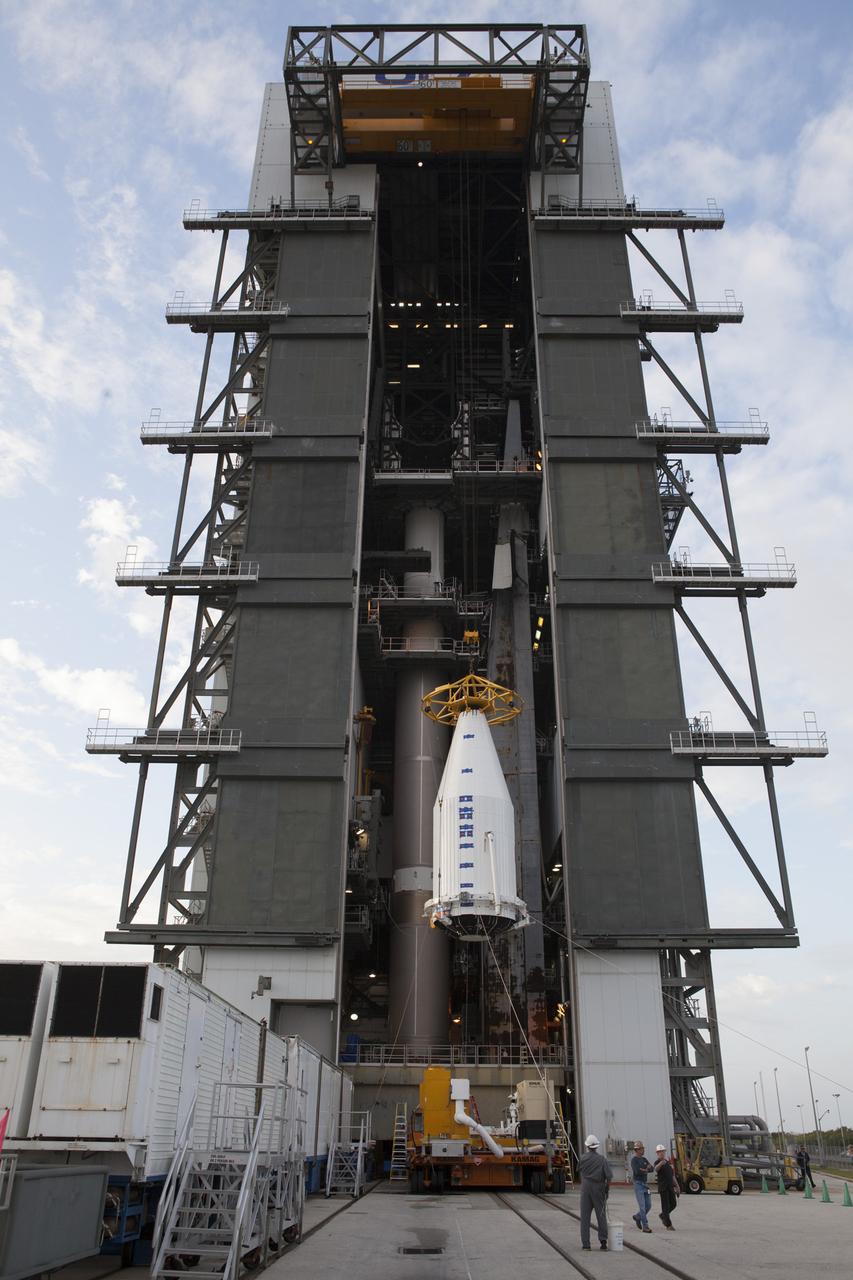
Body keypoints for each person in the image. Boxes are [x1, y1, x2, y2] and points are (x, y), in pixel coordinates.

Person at [578, 1134, 612, 1251]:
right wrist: (606, 1189)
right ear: (596, 1146)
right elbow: (609, 1176)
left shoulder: (582, 1158)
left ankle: (586, 1244)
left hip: (585, 1188)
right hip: (598, 1187)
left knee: (585, 1217)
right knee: (601, 1215)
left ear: (587, 1146)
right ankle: (603, 1242)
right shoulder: (602, 1159)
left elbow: (579, 1170)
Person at [654, 1143, 679, 1230]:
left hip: (670, 1187)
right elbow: (656, 1169)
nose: (661, 1153)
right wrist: (661, 1163)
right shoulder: (657, 1162)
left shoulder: (668, 1163)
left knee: (673, 1204)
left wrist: (677, 1186)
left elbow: (672, 1175)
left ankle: (663, 1215)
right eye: (660, 1152)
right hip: (663, 1188)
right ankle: (668, 1224)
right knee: (665, 1206)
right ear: (657, 1153)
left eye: (663, 1151)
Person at [630, 1142, 654, 1232]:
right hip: (638, 1184)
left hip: (645, 1185)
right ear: (637, 1150)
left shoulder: (644, 1159)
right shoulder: (634, 1160)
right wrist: (646, 1169)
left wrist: (645, 1169)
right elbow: (637, 1171)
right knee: (642, 1206)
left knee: (648, 1205)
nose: (643, 1150)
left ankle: (638, 1216)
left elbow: (652, 1169)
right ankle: (645, 1226)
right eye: (642, 1149)